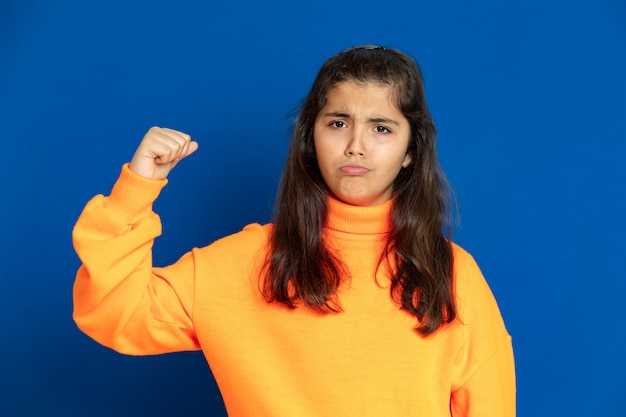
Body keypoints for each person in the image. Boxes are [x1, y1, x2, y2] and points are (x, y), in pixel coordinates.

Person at [72, 45, 516, 416]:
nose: (355, 145)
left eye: (381, 128)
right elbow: (114, 312)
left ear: (409, 153)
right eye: (338, 123)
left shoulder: (453, 275)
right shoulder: (240, 263)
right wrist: (137, 188)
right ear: (310, 138)